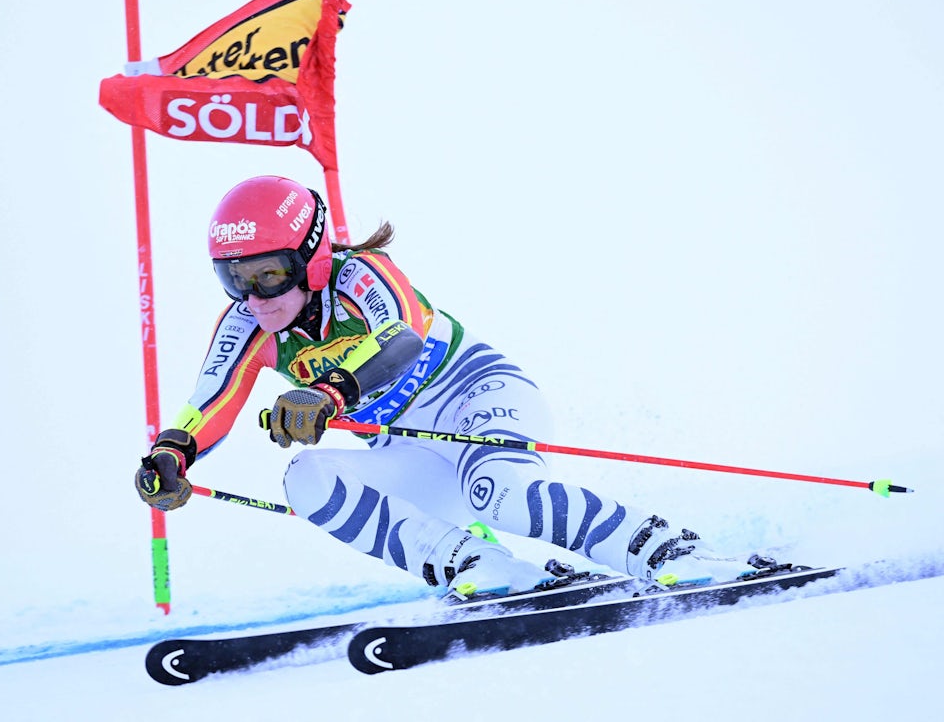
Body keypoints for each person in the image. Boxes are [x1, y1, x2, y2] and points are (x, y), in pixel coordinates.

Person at [136, 175, 771, 599]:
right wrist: (172, 455)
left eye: (269, 274)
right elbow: (210, 404)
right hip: (408, 452)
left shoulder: (362, 276)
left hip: (475, 397)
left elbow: (402, 341)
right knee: (306, 479)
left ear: (312, 257)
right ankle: (485, 570)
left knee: (498, 493)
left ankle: (668, 549)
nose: (254, 296)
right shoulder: (248, 323)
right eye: (234, 278)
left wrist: (329, 393)